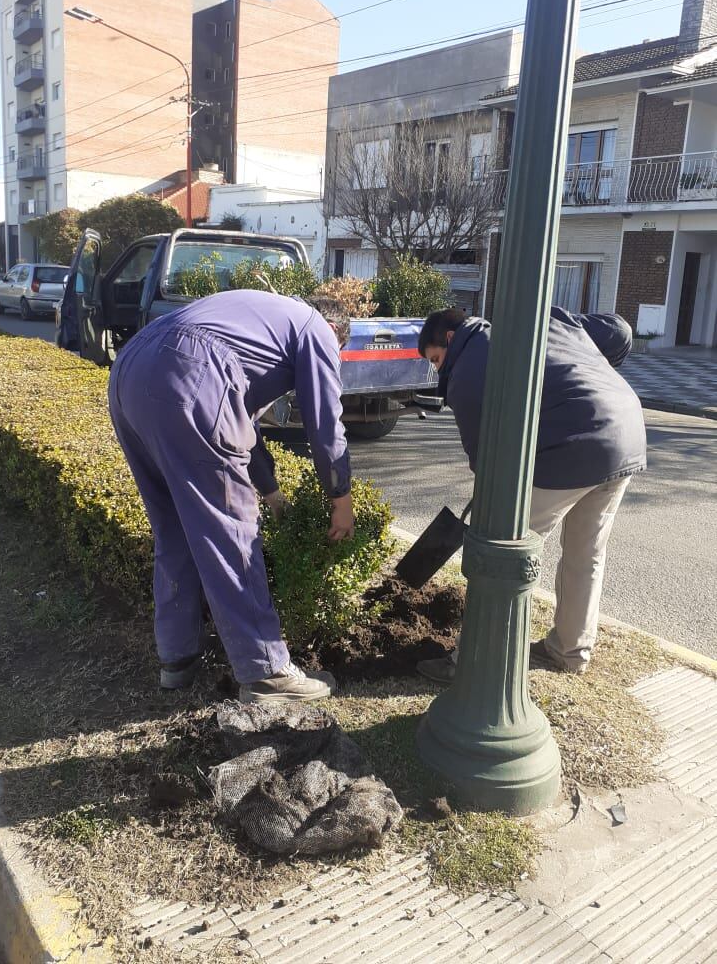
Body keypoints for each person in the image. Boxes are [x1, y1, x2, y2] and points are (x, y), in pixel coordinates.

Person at [108, 289, 355, 701]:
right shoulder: (318, 329)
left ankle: (177, 657)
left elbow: (241, 424)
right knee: (231, 530)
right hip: (190, 372)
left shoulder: (263, 322)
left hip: (131, 370)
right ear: (336, 332)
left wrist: (273, 494)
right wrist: (340, 501)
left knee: (174, 529)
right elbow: (325, 426)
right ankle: (266, 673)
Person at [416, 305, 646, 680]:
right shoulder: (534, 320)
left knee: (504, 551)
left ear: (451, 339)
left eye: (436, 359)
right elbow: (616, 330)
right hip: (626, 433)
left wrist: (490, 514)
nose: (438, 369)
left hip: (574, 449)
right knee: (586, 553)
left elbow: (486, 463)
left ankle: (470, 659)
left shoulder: (468, 368)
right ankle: (570, 650)